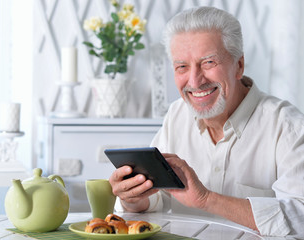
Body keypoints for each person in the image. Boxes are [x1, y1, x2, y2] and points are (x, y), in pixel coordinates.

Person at [109, 6, 304, 237]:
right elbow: (154, 201)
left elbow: (300, 216)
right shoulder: (176, 115)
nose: (195, 81)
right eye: (182, 66)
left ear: (239, 66)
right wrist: (132, 198)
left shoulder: (287, 126)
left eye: (208, 62)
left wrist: (206, 200)